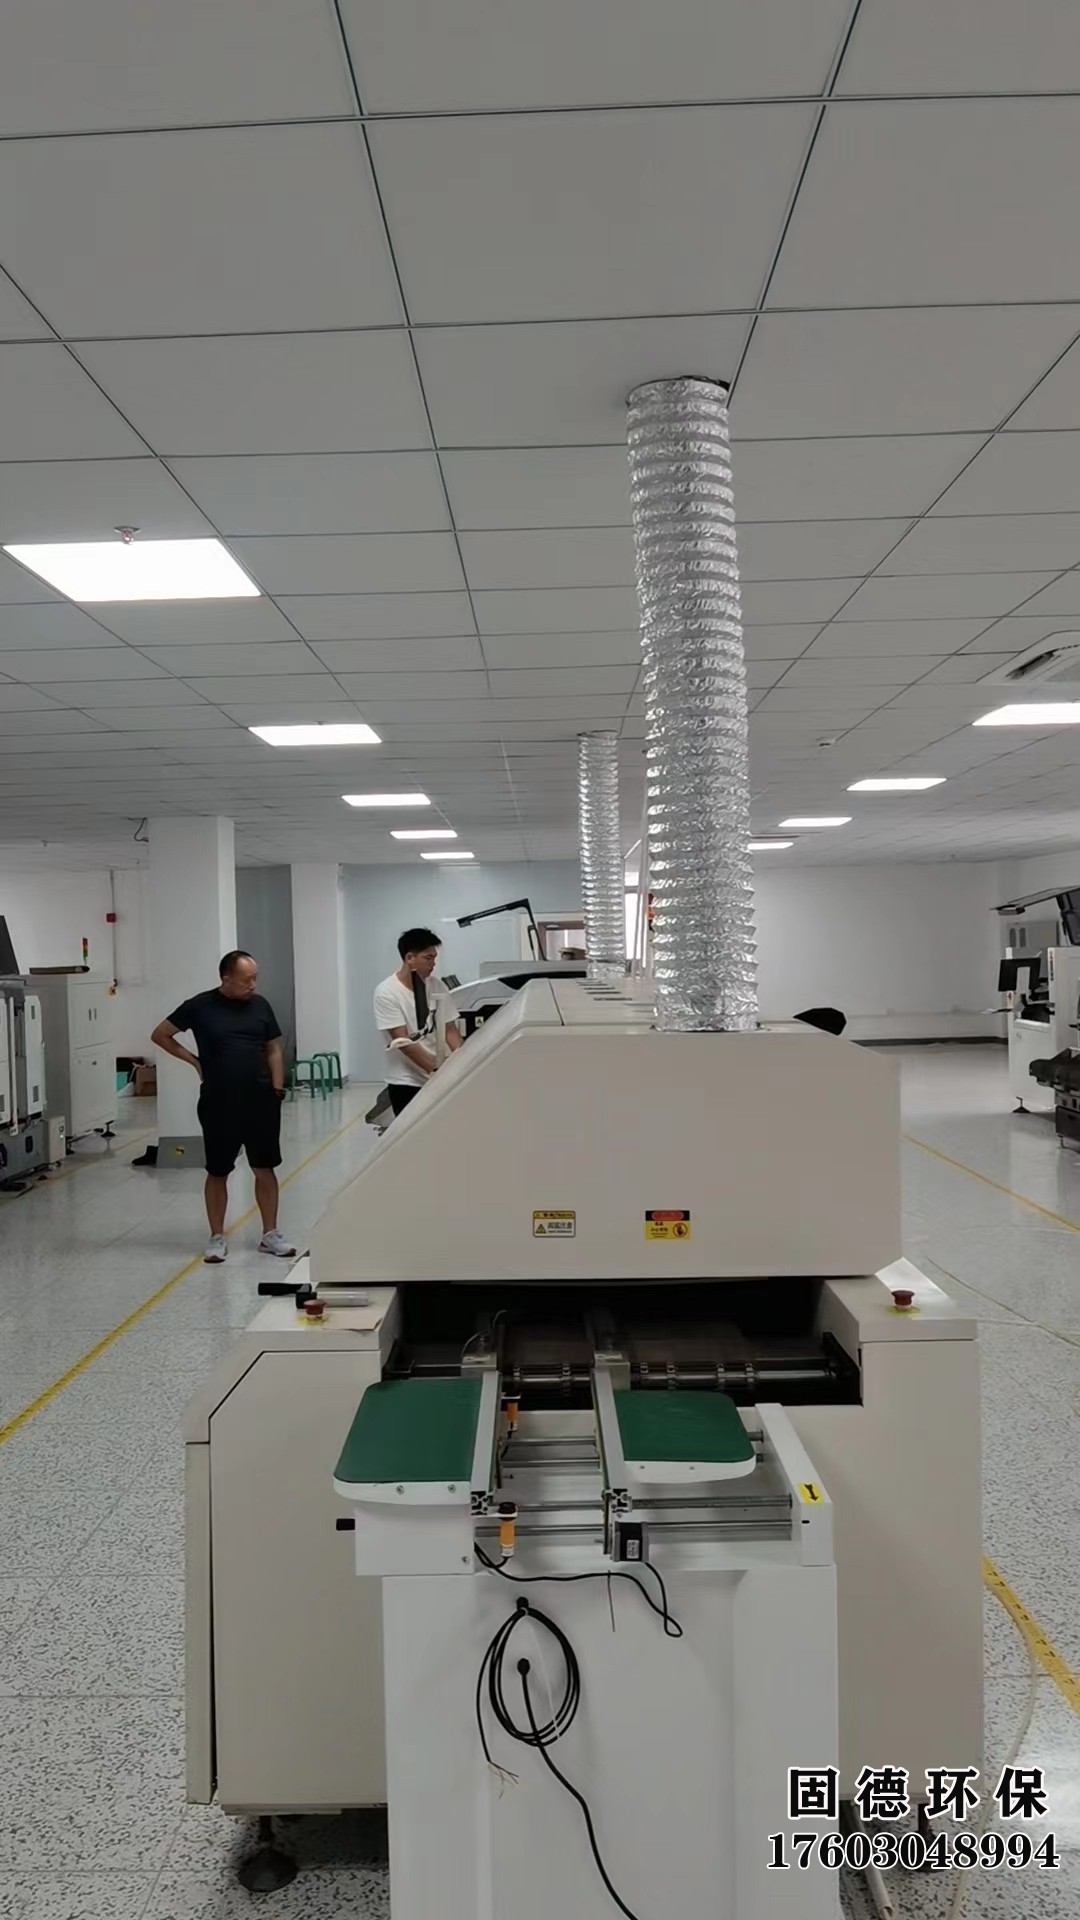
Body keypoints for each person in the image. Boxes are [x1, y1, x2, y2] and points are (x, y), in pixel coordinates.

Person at [151, 950, 296, 1265]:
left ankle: (270, 1233)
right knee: (218, 1170)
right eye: (246, 980)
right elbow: (161, 1035)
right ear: (226, 979)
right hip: (219, 1101)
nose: (253, 985)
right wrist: (195, 1062)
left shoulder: (260, 1005)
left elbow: (273, 1049)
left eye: (255, 978)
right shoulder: (200, 1006)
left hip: (261, 1101)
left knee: (265, 1167)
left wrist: (277, 1088)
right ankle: (217, 1237)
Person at [373, 927, 462, 1118]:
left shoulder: (436, 985)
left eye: (434, 958)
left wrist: (461, 1060)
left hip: (439, 1075)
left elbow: (449, 1029)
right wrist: (435, 1071)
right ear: (409, 958)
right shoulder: (386, 993)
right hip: (408, 1082)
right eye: (428, 958)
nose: (433, 963)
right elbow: (403, 1042)